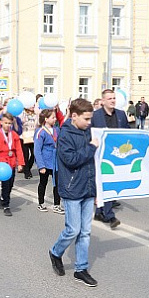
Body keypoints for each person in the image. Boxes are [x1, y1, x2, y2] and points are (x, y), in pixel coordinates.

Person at [48, 98, 99, 287]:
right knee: (73, 229)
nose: (89, 122)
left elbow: (92, 164)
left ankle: (81, 269)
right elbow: (72, 160)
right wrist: (92, 147)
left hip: (87, 187)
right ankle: (55, 252)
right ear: (74, 116)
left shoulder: (87, 132)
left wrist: (95, 189)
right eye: (86, 119)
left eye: (90, 119)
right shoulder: (65, 135)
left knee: (85, 231)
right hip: (72, 188)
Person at [91, 89, 128, 229]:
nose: (113, 100)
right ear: (103, 101)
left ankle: (100, 212)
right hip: (99, 156)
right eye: (110, 98)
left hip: (116, 156)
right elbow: (89, 134)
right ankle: (110, 216)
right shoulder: (95, 116)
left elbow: (126, 133)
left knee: (109, 183)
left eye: (114, 98)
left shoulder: (121, 115)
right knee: (105, 184)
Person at [0, 113, 25, 216]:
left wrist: (20, 163)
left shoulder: (14, 135)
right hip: (2, 162)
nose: (7, 125)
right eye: (5, 123)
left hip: (11, 161)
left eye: (9, 123)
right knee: (5, 184)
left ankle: (3, 197)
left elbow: (19, 149)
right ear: (1, 122)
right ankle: (6, 204)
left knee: (11, 183)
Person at [34, 108, 62, 214]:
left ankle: (57, 204)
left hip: (55, 161)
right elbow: (37, 149)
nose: (55, 119)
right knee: (43, 182)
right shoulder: (40, 132)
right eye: (52, 117)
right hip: (45, 161)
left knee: (57, 183)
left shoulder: (57, 130)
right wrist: (41, 166)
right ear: (46, 119)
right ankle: (41, 203)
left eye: (55, 117)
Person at [20, 107, 37, 179]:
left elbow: (38, 123)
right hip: (24, 136)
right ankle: (27, 172)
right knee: (25, 155)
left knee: (34, 154)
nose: (32, 107)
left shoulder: (36, 113)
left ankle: (27, 167)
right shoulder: (22, 113)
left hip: (33, 136)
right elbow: (18, 123)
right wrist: (22, 121)